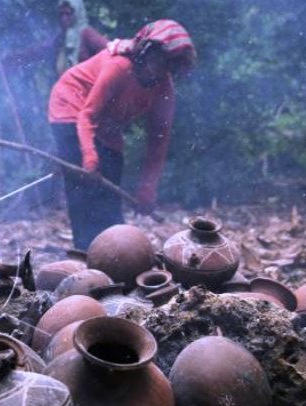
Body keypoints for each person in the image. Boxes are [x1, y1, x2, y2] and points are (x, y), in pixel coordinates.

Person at [48, 19, 196, 249]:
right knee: (84, 188)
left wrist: (147, 188)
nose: (159, 70)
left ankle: (114, 250)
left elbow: (158, 141)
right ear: (145, 52)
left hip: (107, 124)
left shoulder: (164, 90)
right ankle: (85, 252)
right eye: (157, 60)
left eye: (168, 65)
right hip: (71, 106)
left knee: (110, 181)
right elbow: (87, 116)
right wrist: (89, 157)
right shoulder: (119, 67)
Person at [4, 1, 107, 75]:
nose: (64, 19)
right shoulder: (61, 38)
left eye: (68, 14)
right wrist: (14, 58)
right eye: (61, 14)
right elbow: (39, 50)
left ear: (77, 14)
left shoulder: (87, 33)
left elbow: (109, 51)